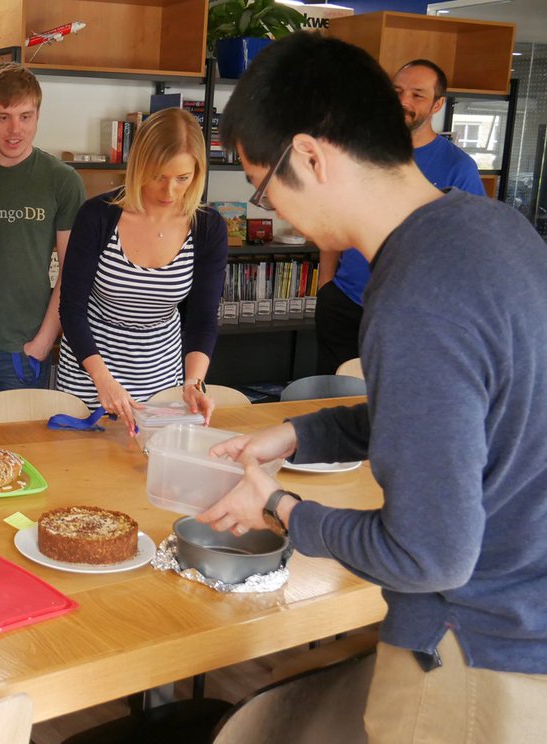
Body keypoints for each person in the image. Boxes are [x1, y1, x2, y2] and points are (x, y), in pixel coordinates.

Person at [199, 33, 547, 742]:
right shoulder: (493, 228)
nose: (279, 214)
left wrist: (283, 507)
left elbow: (428, 555)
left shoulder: (415, 293)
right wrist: (299, 431)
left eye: (262, 186)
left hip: (468, 656)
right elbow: (463, 409)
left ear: (310, 156)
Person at [56, 108, 227, 434]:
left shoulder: (207, 228)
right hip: (90, 373)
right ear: (139, 166)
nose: (170, 192)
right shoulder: (98, 216)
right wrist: (103, 381)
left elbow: (203, 318)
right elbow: (72, 310)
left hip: (161, 379)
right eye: (158, 176)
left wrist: (194, 382)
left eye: (182, 178)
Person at [314, 58, 484, 374]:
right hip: (346, 304)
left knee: (393, 411)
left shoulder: (458, 168)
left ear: (438, 104)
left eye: (417, 94)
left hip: (411, 316)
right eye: (397, 91)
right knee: (331, 403)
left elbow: (468, 252)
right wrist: (326, 286)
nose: (403, 101)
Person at [0, 62, 85, 425]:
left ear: (38, 115)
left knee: (18, 457)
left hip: (22, 351)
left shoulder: (62, 181)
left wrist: (42, 343)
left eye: (26, 116)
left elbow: (72, 273)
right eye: (3, 117)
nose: (15, 130)